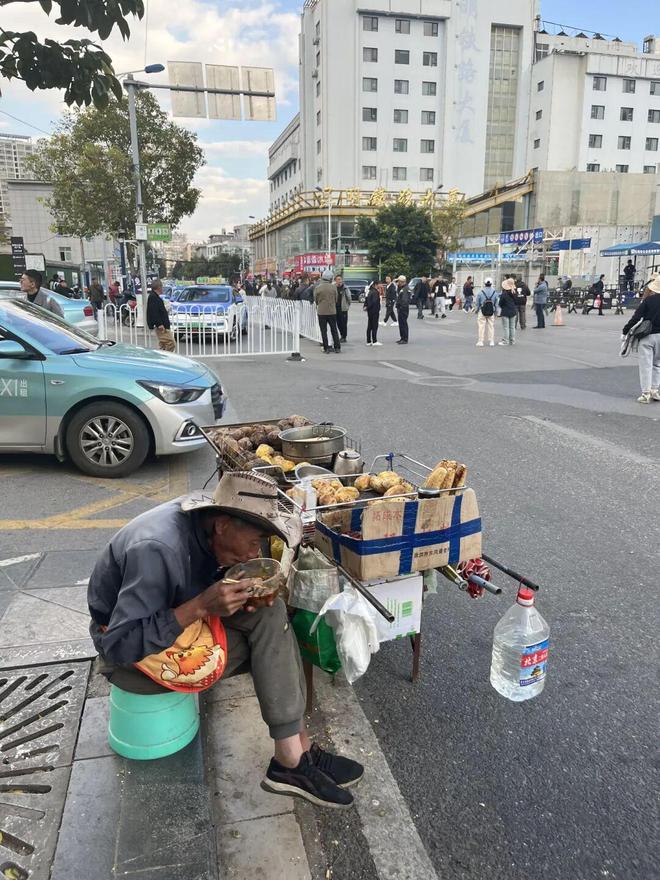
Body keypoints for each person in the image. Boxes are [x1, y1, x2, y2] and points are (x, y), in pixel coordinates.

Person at [88, 471, 363, 808]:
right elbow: (119, 647)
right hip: (133, 663)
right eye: (253, 541)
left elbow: (197, 587)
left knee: (271, 613)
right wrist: (203, 605)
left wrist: (241, 599)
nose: (254, 552)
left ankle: (298, 748)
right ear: (222, 525)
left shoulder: (204, 523)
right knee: (271, 649)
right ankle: (291, 761)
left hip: (173, 629)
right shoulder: (157, 549)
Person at [621, 276, 660, 404]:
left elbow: (636, 318)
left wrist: (625, 330)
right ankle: (655, 390)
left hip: (647, 336)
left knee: (646, 365)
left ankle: (646, 393)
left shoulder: (648, 301)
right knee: (657, 364)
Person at [314, 269, 341, 353]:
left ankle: (326, 348)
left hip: (321, 312)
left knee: (323, 330)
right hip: (332, 311)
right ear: (330, 278)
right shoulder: (334, 287)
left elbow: (316, 300)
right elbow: (336, 299)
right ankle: (337, 347)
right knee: (334, 329)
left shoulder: (318, 288)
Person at [147, 279, 175, 352]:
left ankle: (161, 358)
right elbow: (154, 312)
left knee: (163, 345)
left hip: (162, 325)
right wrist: (159, 324)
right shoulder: (153, 297)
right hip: (161, 326)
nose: (162, 288)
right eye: (162, 286)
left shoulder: (155, 297)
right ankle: (167, 358)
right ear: (159, 287)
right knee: (171, 343)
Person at [474, 278, 498, 347]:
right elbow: (496, 303)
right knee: (491, 326)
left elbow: (477, 303)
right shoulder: (494, 292)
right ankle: (491, 341)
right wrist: (496, 311)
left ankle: (481, 341)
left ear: (484, 283)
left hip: (482, 311)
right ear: (491, 284)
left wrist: (477, 310)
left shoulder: (481, 292)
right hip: (491, 311)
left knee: (481, 326)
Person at [498, 279, 518, 346]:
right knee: (512, 327)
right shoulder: (515, 292)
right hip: (513, 311)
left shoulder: (504, 294)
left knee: (506, 327)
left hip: (505, 312)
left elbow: (500, 303)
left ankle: (505, 341)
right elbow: (516, 302)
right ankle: (512, 341)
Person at [335, 274, 351, 343]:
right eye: (337, 279)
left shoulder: (345, 288)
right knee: (338, 323)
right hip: (336, 308)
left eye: (340, 279)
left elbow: (349, 298)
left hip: (343, 309)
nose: (339, 281)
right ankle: (342, 335)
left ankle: (344, 337)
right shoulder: (334, 287)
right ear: (335, 281)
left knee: (344, 323)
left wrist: (347, 306)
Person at [364, 281, 382, 346]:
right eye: (379, 284)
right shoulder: (375, 292)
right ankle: (374, 341)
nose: (380, 286)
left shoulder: (370, 291)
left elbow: (366, 300)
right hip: (374, 311)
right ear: (375, 285)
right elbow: (374, 302)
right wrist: (368, 307)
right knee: (374, 326)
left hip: (370, 312)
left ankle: (368, 341)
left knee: (370, 326)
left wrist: (366, 307)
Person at [395, 275, 410, 344]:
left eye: (399, 282)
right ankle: (402, 337)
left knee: (403, 323)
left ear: (402, 282)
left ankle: (405, 338)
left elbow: (404, 300)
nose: (398, 283)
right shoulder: (402, 288)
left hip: (403, 309)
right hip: (401, 308)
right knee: (401, 323)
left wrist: (401, 307)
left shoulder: (405, 289)